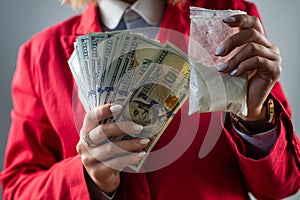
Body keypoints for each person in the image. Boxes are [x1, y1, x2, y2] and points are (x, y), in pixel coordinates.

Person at [0, 0, 299, 199]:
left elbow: (282, 185)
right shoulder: (40, 54)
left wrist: (254, 113)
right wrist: (87, 177)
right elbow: (17, 187)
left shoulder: (229, 18)